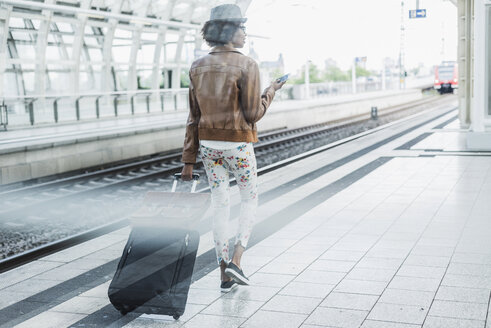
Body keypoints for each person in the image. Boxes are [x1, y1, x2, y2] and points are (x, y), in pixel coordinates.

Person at [181, 4, 285, 292]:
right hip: (238, 145)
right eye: (242, 28)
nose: (245, 34)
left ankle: (224, 275)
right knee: (249, 199)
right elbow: (253, 114)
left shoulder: (197, 65)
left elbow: (194, 116)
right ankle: (238, 259)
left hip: (208, 148)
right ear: (229, 31)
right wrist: (271, 92)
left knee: (220, 206)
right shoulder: (247, 64)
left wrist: (188, 162)